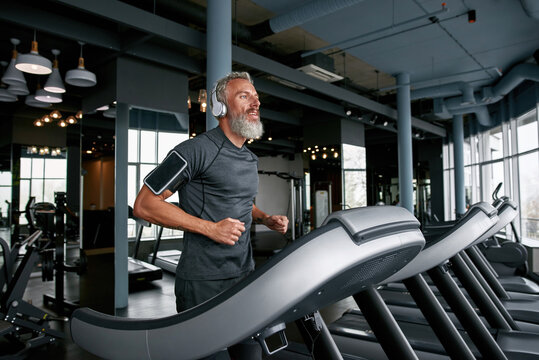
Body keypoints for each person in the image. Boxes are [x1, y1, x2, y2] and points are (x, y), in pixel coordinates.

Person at [133, 71, 288, 359]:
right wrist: (210, 229)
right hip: (203, 282)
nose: (255, 103)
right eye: (244, 96)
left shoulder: (249, 158)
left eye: (256, 98)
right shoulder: (193, 151)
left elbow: (241, 202)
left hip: (244, 276)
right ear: (220, 108)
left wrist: (265, 217)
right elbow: (144, 204)